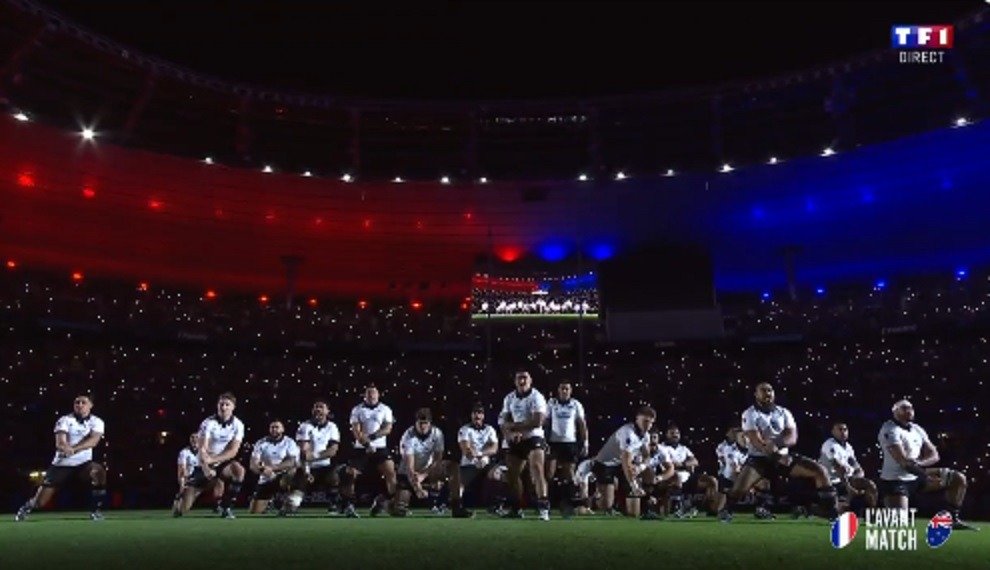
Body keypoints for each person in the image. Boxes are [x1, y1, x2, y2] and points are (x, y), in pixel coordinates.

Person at [719, 383, 838, 523]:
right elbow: (755, 440)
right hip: (759, 459)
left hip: (782, 457)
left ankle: (829, 511)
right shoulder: (749, 413)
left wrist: (776, 445)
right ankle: (727, 510)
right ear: (755, 394)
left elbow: (792, 437)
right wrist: (775, 454)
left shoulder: (784, 412)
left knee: (820, 471)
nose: (767, 393)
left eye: (770, 390)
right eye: (763, 390)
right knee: (738, 491)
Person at [878, 399, 977, 530]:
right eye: (904, 408)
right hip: (896, 480)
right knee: (898, 523)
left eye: (911, 408)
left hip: (916, 475)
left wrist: (919, 463)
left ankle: (953, 519)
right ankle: (876, 516)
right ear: (895, 411)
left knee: (957, 478)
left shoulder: (917, 429)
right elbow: (903, 462)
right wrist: (923, 474)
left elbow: (934, 455)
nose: (909, 410)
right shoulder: (889, 429)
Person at [15, 394, 107, 522]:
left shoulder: (97, 422)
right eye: (77, 402)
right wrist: (65, 447)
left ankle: (96, 510)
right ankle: (27, 506)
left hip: (83, 464)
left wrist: (74, 449)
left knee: (98, 471)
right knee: (40, 503)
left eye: (83, 402)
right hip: (62, 464)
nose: (80, 405)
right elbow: (60, 443)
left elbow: (93, 441)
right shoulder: (64, 420)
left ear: (91, 405)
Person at [499, 370, 551, 520]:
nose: (522, 381)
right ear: (515, 381)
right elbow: (503, 422)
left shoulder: (537, 397)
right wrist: (510, 434)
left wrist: (515, 427)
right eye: (519, 378)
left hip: (534, 437)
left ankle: (543, 507)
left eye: (525, 378)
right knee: (512, 475)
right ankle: (516, 508)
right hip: (516, 439)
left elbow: (537, 421)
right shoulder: (509, 398)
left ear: (530, 380)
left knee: (536, 468)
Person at [591, 405, 657, 518]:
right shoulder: (628, 433)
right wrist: (634, 485)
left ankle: (645, 507)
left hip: (622, 465)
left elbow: (647, 456)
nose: (648, 425)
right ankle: (594, 497)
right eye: (645, 421)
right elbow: (625, 461)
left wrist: (640, 467)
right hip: (605, 464)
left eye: (651, 423)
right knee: (606, 505)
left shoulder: (645, 436)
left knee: (633, 513)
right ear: (637, 419)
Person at [342, 385, 397, 517]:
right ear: (364, 396)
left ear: (378, 395)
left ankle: (385, 502)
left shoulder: (385, 409)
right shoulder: (357, 410)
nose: (371, 396)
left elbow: (387, 429)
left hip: (380, 447)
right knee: (350, 473)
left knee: (391, 474)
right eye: (368, 394)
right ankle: (349, 505)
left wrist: (372, 437)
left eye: (373, 393)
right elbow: (356, 431)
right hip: (361, 448)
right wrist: (366, 444)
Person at [198, 392, 247, 519]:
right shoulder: (208, 423)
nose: (224, 407)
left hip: (222, 460)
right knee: (182, 507)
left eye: (227, 404)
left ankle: (227, 506)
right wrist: (206, 467)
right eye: (221, 404)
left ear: (233, 407)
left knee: (239, 471)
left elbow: (233, 451)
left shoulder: (238, 425)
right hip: (205, 460)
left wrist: (214, 460)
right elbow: (202, 448)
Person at [395, 408, 451, 516]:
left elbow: (437, 460)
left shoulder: (437, 434)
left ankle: (438, 503)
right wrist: (417, 488)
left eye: (426, 423)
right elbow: (410, 467)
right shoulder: (408, 437)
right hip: (408, 472)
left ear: (430, 423)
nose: (423, 426)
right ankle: (384, 503)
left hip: (428, 469)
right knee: (399, 510)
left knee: (442, 471)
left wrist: (424, 475)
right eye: (420, 423)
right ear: (416, 423)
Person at [449, 403, 499, 518]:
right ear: (471, 415)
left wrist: (482, 454)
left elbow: (494, 448)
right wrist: (475, 459)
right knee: (459, 483)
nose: (477, 415)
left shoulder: (489, 429)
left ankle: (495, 505)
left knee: (498, 474)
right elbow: (466, 448)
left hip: (486, 462)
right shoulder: (464, 429)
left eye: (480, 413)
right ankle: (458, 507)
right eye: (475, 413)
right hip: (469, 464)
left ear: (484, 415)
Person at [546, 382, 588, 514]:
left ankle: (568, 502)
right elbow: (546, 421)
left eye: (567, 389)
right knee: (549, 473)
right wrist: (544, 440)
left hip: (570, 443)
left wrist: (585, 442)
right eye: (562, 388)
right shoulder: (552, 403)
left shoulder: (576, 404)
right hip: (554, 442)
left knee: (569, 474)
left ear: (570, 390)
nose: (564, 391)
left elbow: (582, 424)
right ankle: (547, 501)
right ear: (558, 390)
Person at [294, 400, 341, 515]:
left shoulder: (332, 427)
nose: (318, 409)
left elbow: (332, 451)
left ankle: (334, 504)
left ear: (327, 411)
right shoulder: (305, 426)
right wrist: (307, 471)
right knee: (291, 504)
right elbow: (304, 451)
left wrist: (314, 456)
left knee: (334, 477)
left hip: (325, 466)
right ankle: (291, 504)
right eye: (316, 407)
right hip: (307, 467)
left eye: (321, 407)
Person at [659, 425, 717, 517]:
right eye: (672, 433)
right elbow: (667, 465)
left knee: (712, 481)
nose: (675, 435)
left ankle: (707, 509)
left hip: (688, 476)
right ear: (666, 434)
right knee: (676, 478)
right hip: (671, 477)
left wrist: (683, 465)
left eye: (677, 433)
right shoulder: (661, 447)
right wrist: (682, 465)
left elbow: (695, 461)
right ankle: (676, 509)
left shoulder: (683, 448)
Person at [819, 421, 877, 514]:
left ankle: (871, 513)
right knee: (838, 511)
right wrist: (849, 487)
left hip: (847, 479)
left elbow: (857, 466)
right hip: (832, 481)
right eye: (840, 429)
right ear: (833, 432)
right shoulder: (830, 445)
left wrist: (857, 476)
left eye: (845, 430)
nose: (843, 432)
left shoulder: (848, 447)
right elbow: (838, 467)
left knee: (870, 485)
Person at [248, 420, 303, 515]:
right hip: (266, 478)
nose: (274, 429)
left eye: (277, 427)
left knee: (295, 473)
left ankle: (290, 504)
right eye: (272, 427)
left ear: (282, 429)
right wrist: (261, 469)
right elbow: (253, 464)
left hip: (283, 475)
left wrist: (272, 468)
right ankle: (270, 503)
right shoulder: (261, 443)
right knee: (255, 512)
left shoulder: (289, 442)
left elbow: (291, 462)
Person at [173, 432, 225, 516]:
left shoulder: (207, 450)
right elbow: (182, 470)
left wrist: (212, 470)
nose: (194, 440)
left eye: (197, 437)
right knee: (183, 509)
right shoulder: (184, 452)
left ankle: (217, 504)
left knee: (219, 480)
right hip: (193, 481)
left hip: (206, 479)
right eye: (192, 438)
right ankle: (180, 503)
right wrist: (182, 485)